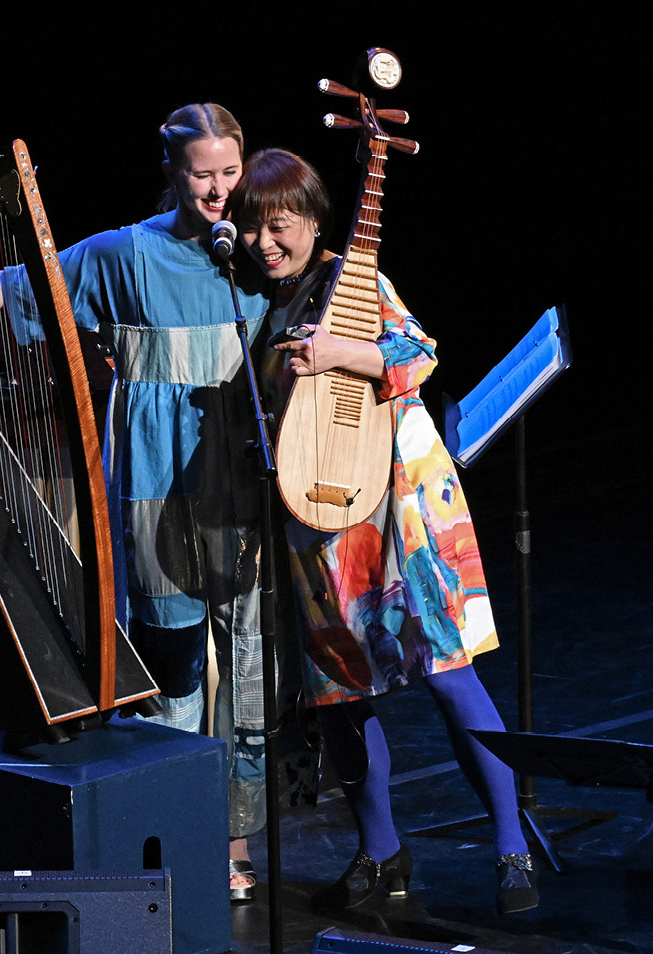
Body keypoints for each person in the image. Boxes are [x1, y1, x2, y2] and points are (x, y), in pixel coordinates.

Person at [0, 103, 273, 901]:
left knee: (244, 665)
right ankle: (175, 833)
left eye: (228, 172)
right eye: (201, 174)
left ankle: (238, 837)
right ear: (171, 173)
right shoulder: (126, 254)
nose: (218, 190)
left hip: (239, 481)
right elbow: (10, 284)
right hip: (153, 481)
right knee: (175, 663)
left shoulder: (259, 247)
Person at [232, 147, 538, 915]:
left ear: (310, 219)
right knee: (339, 699)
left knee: (447, 677)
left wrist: (339, 351)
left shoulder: (352, 281)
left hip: (401, 512)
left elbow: (418, 352)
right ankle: (381, 854)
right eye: (253, 230)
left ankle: (511, 847)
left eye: (281, 227)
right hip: (320, 523)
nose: (266, 243)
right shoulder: (257, 303)